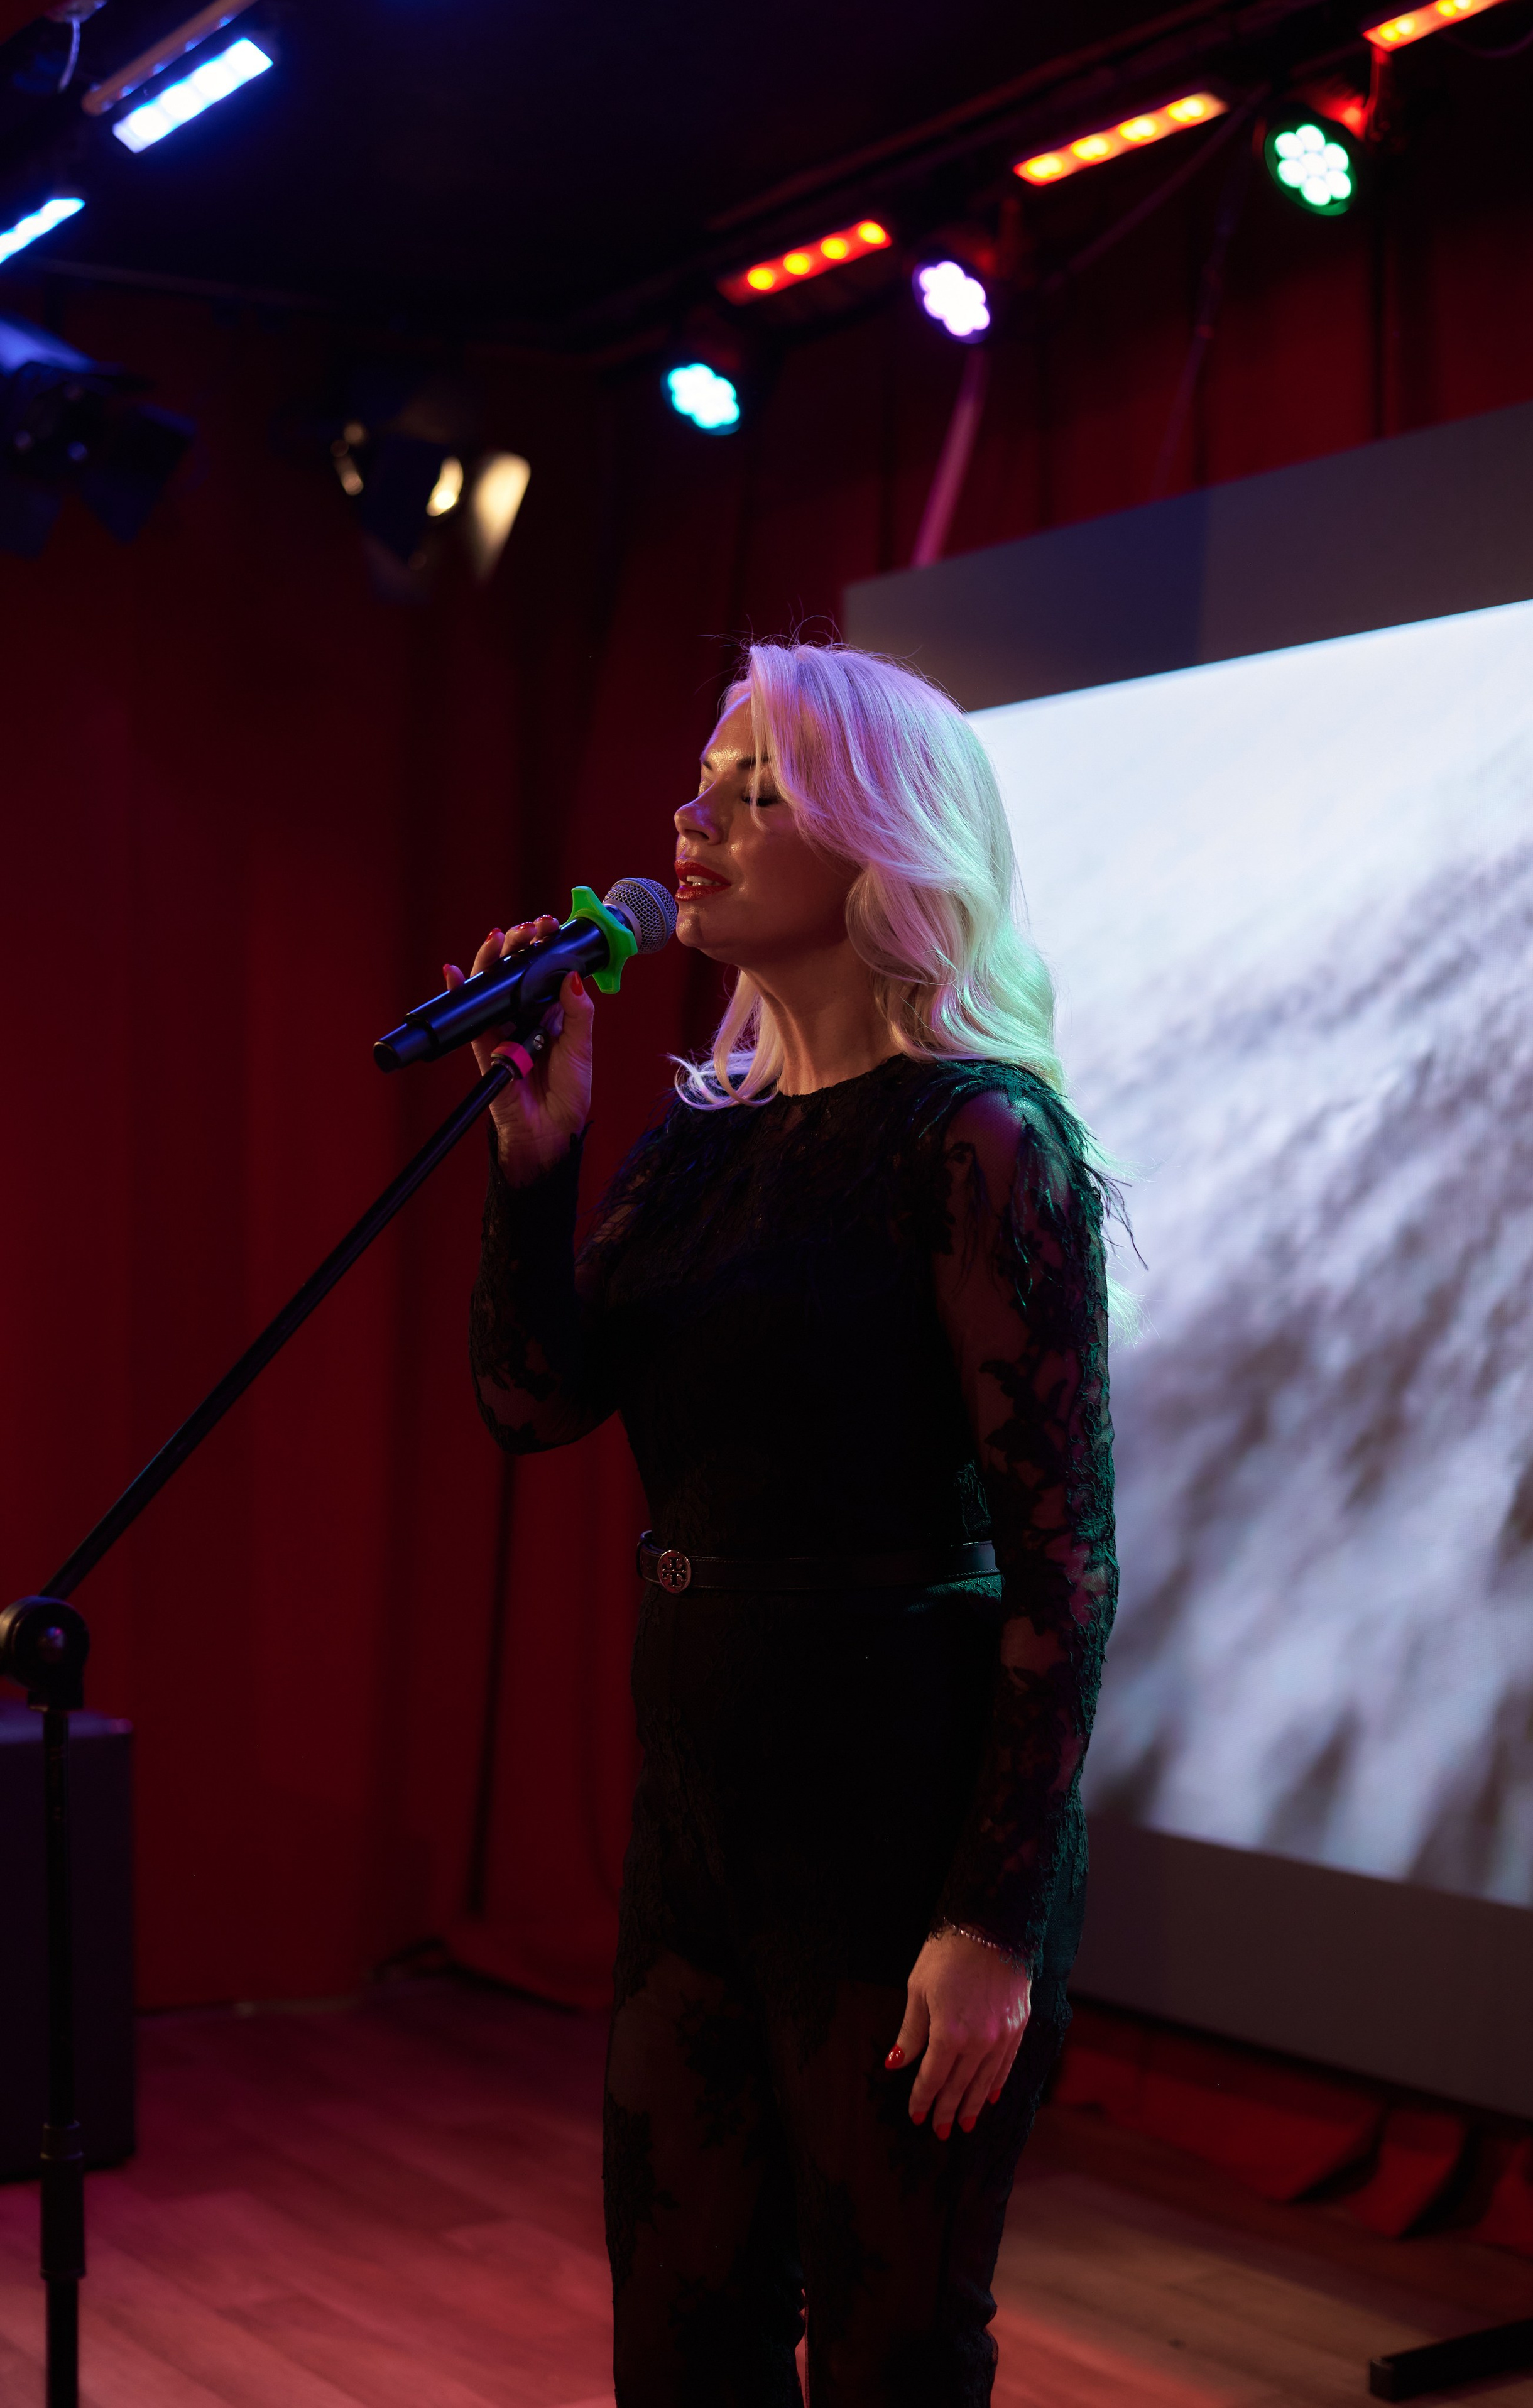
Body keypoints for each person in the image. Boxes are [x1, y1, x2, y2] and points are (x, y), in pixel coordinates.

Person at [454, 641, 1120, 2407]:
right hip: (698, 1844)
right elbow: (534, 1405)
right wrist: (535, 1165)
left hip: (903, 1841)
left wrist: (989, 1918)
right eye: (705, 777)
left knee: (896, 2351)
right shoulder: (697, 1142)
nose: (698, 819)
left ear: (880, 841)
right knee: (682, 2346)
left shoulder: (982, 1142)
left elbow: (1067, 1562)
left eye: (762, 789)